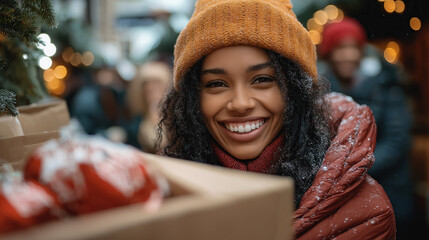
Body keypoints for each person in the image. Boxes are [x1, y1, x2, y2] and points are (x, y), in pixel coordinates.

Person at [157, 1, 396, 239]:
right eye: (216, 84)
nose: (240, 103)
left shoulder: (366, 213)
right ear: (191, 101)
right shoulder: (159, 200)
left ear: (295, 90)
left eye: (262, 79)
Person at [318, 17, 414, 239]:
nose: (349, 54)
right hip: (342, 201)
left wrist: (351, 169)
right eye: (341, 47)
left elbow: (397, 142)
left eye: (354, 47)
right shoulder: (321, 91)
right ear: (329, 53)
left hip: (390, 189)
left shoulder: (386, 84)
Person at [126, 60, 170, 153]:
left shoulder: (177, 117)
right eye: (146, 83)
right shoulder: (137, 120)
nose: (151, 87)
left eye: (156, 82)